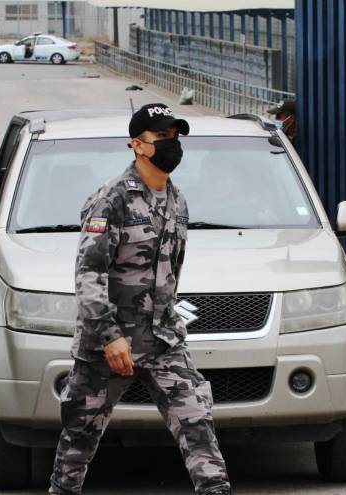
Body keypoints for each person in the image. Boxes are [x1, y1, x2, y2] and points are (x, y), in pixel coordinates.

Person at [49, 103, 231, 495]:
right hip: (109, 344)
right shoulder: (111, 200)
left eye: (175, 136)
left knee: (197, 423)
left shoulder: (177, 200)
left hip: (163, 340)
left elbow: (169, 274)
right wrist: (109, 336)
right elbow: (89, 273)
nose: (172, 144)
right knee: (79, 440)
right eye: (161, 137)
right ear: (137, 145)